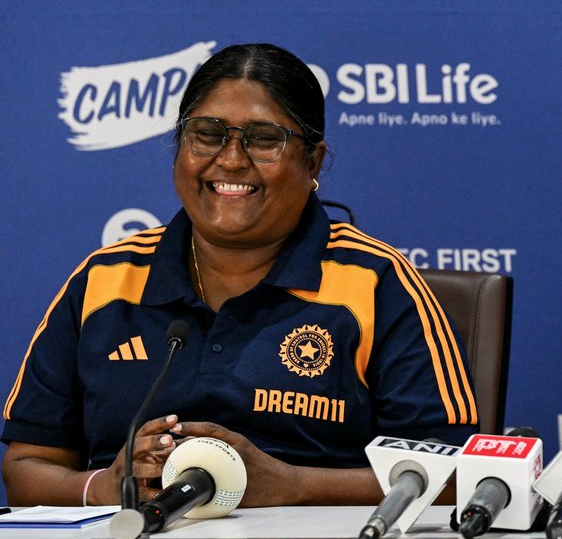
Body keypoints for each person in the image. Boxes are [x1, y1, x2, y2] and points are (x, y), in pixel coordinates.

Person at [2, 43, 478, 507]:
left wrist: (295, 485)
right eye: (207, 134)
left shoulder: (376, 281)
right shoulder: (105, 279)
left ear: (312, 160)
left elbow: (454, 472)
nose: (230, 160)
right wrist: (103, 488)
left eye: (264, 139)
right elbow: (27, 468)